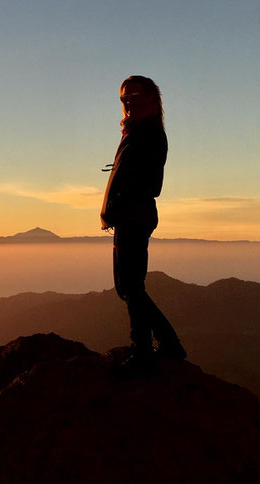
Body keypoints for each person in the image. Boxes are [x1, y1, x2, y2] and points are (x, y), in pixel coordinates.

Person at [101, 75, 186, 368]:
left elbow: (150, 184)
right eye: (124, 98)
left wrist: (118, 204)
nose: (127, 102)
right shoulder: (139, 131)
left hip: (134, 217)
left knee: (130, 287)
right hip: (131, 216)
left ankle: (152, 348)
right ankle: (148, 347)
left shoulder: (147, 133)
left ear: (152, 99)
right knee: (129, 287)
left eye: (134, 96)